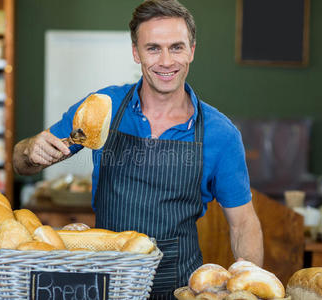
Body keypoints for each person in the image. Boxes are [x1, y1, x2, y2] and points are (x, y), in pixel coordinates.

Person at [14, 0, 263, 298]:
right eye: (153, 48)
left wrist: (248, 287)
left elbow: (244, 224)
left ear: (192, 51)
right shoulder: (104, 107)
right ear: (136, 52)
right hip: (105, 284)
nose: (167, 61)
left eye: (177, 47)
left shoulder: (220, 133)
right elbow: (21, 163)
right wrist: (31, 150)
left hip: (179, 287)